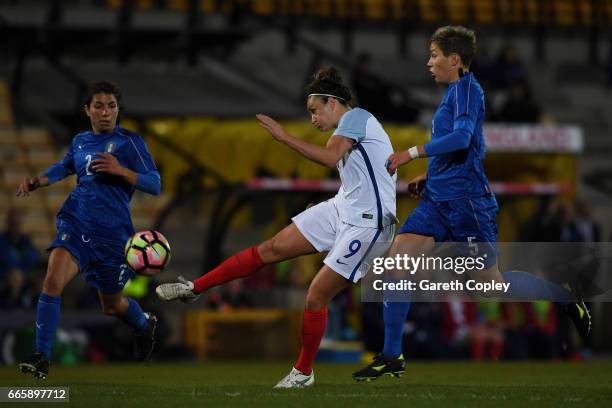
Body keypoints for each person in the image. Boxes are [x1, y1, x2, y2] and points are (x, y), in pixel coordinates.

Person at [352, 25, 592, 382]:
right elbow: (458, 148)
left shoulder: (468, 90)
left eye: (434, 55)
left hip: (468, 205)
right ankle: (391, 354)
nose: (428, 62)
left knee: (489, 287)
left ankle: (565, 298)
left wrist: (412, 154)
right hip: (437, 201)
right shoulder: (452, 94)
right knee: (397, 263)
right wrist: (430, 177)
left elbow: (463, 138)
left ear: (454, 59)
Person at [156, 68, 397, 388]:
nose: (312, 119)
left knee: (315, 297)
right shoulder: (347, 130)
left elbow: (328, 159)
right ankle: (194, 289)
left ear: (333, 102)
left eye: (314, 110)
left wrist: (283, 137)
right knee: (270, 249)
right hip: (344, 209)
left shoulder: (357, 117)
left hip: (369, 225)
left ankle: (303, 372)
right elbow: (359, 181)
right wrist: (325, 209)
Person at [16, 81, 161, 379]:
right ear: (87, 110)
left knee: (111, 306)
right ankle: (41, 355)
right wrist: (38, 181)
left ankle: (144, 325)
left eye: (111, 106)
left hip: (113, 235)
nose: (106, 112)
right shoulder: (80, 141)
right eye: (99, 106)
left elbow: (155, 184)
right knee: (52, 280)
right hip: (76, 221)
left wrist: (121, 170)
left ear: (118, 110)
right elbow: (65, 166)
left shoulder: (130, 143)